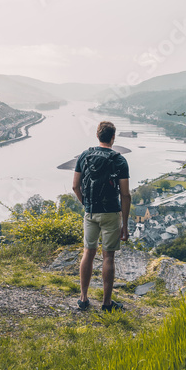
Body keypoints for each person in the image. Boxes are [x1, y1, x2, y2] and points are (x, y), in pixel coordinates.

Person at [72, 121, 131, 312]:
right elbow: (125, 194)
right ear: (113, 137)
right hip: (111, 213)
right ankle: (106, 303)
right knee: (108, 257)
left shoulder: (85, 155)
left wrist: (86, 204)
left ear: (98, 136)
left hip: (90, 212)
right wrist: (125, 224)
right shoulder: (119, 160)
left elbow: (75, 186)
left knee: (88, 252)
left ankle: (83, 299)